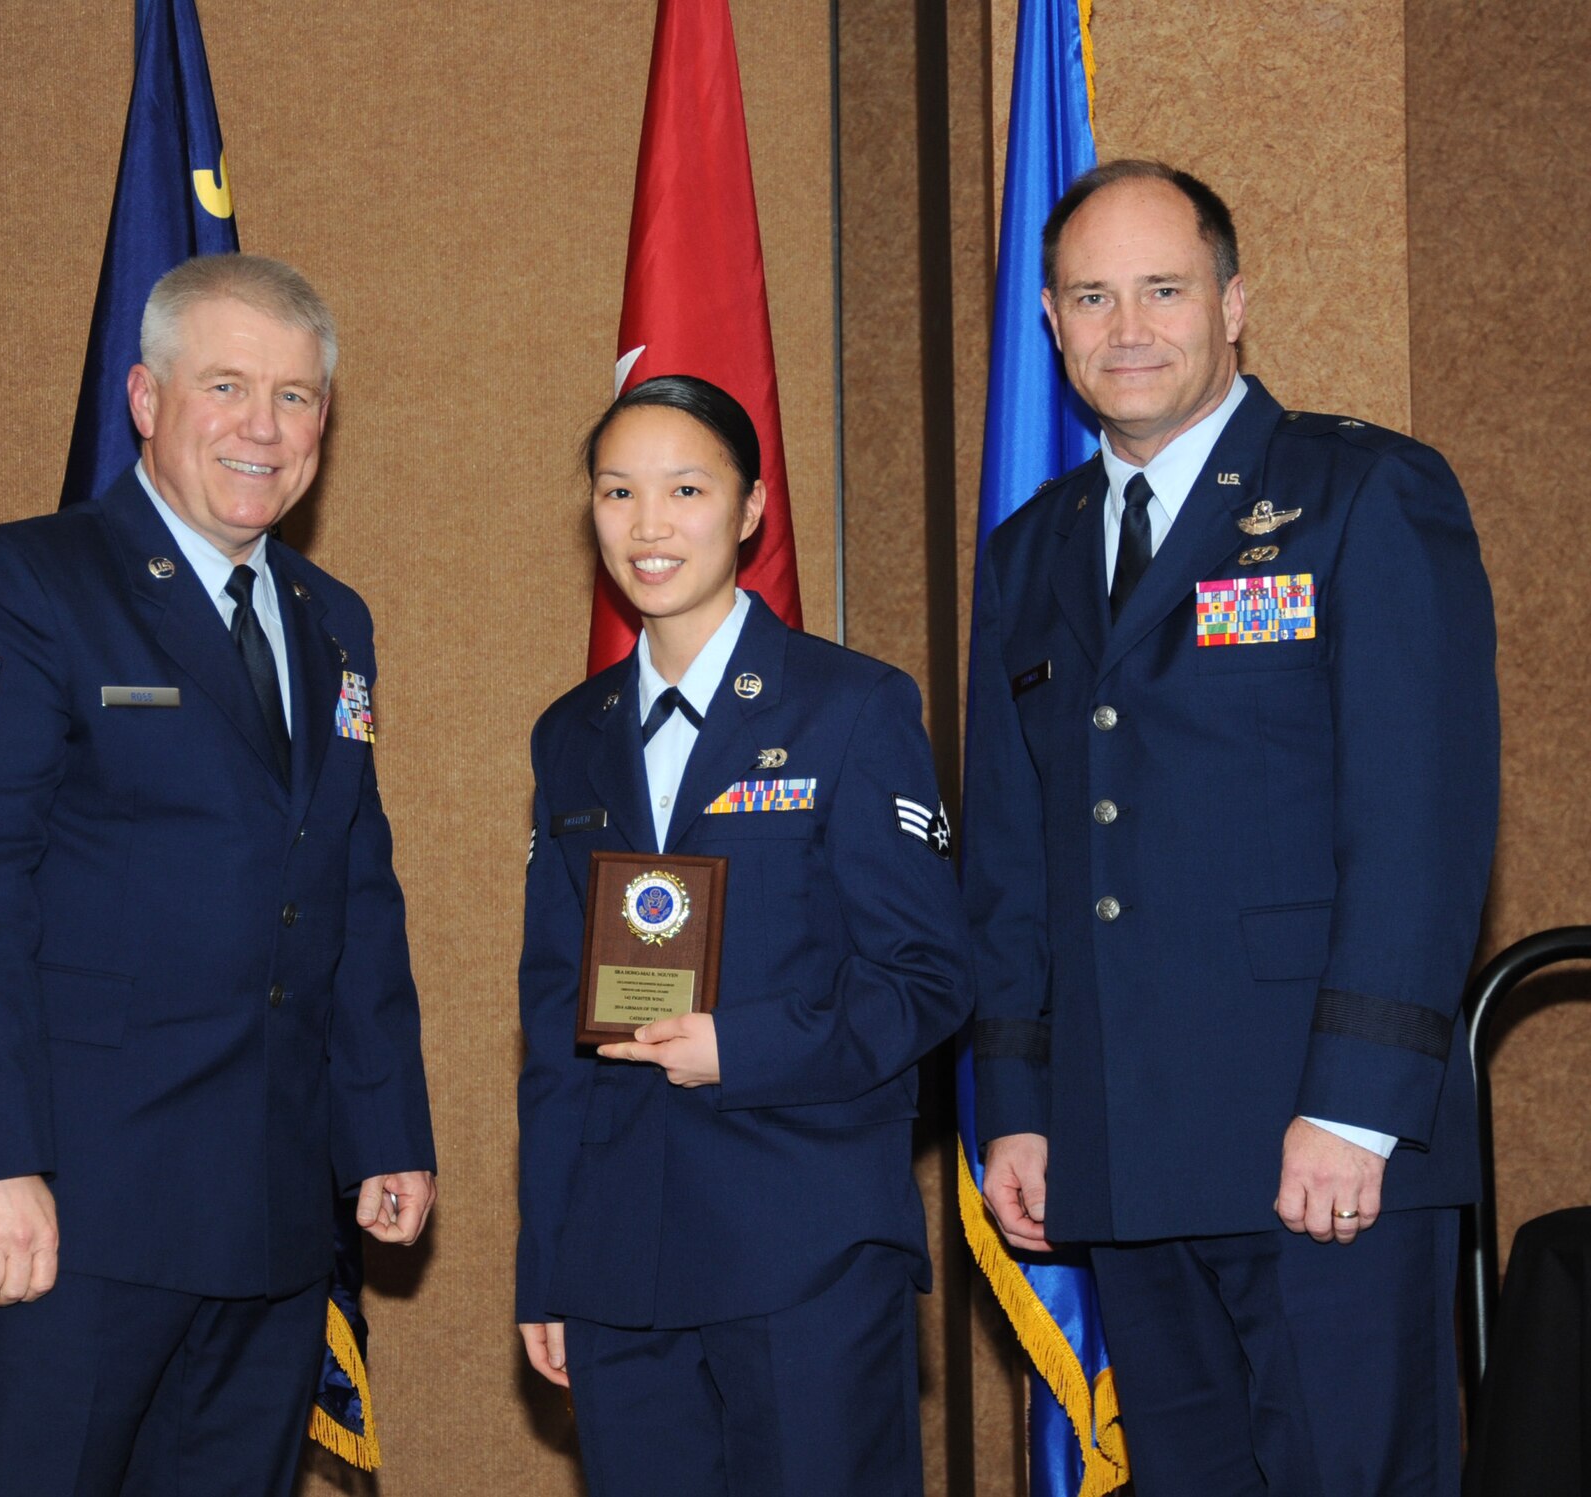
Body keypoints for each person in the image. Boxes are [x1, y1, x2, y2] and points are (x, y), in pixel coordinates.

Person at [965, 160, 1497, 1495]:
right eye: (1092, 296)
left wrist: (1358, 1113)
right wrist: (1021, 1105)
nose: (1127, 326)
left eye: (1163, 289)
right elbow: (1019, 854)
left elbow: (1420, 825)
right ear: (1051, 321)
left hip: (1319, 1151)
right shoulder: (1029, 553)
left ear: (1234, 302)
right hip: (1126, 1148)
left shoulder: (1364, 496)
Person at [0, 253, 438, 1495]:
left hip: (273, 1212)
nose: (262, 427)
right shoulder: (23, 584)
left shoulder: (331, 617)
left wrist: (383, 1123)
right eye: (226, 386)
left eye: (295, 398)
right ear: (143, 398)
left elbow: (349, 880)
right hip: (75, 1207)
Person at [516, 375, 973, 1495]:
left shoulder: (850, 708)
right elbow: (548, 1023)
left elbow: (927, 977)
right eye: (619, 492)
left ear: (751, 508)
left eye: (685, 488)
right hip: (621, 1264)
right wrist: (548, 1269)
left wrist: (743, 1046)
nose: (650, 524)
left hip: (800, 1245)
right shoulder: (571, 735)